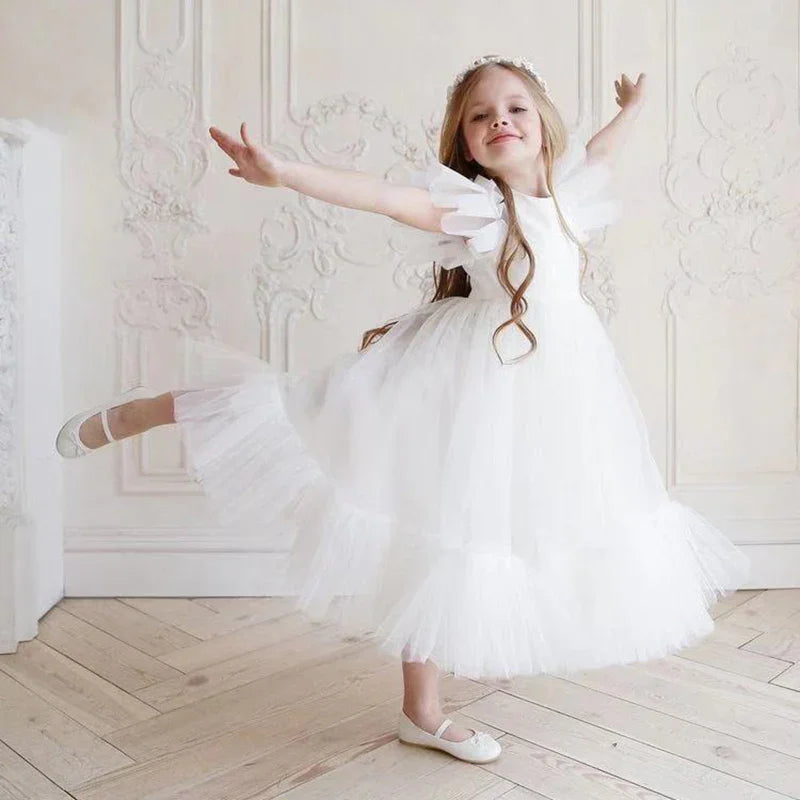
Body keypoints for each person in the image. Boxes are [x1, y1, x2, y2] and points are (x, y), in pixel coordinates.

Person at [56, 55, 750, 764]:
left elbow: (602, 149)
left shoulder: (575, 192)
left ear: (543, 123)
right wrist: (285, 173)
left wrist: (632, 107)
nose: (498, 121)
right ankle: (141, 413)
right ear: (465, 142)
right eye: (479, 116)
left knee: (453, 532)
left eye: (513, 108)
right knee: (305, 417)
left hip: (554, 389)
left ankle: (421, 712)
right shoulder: (476, 208)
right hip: (461, 376)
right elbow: (380, 196)